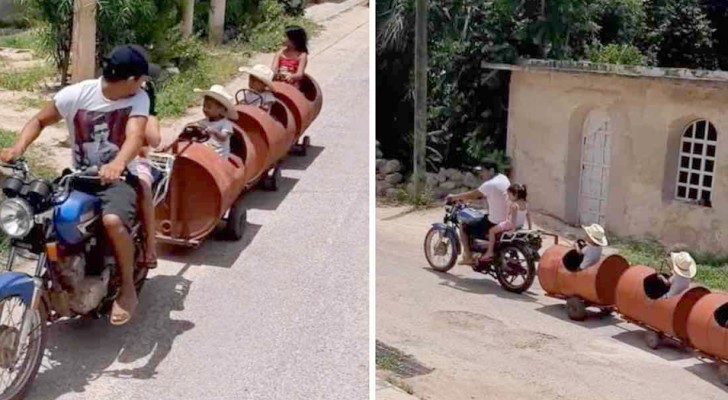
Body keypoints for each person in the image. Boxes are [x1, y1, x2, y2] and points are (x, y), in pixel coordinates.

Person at [0, 44, 158, 325]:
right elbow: (39, 120)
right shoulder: (76, 94)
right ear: (130, 79)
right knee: (45, 221)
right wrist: (18, 148)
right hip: (79, 176)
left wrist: (119, 163)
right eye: (142, 78)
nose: (143, 84)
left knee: (112, 221)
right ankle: (58, 278)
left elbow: (134, 136)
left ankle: (128, 290)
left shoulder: (139, 98)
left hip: (118, 177)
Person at [445, 162, 511, 265]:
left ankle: (468, 256)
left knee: (464, 225)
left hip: (495, 222)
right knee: (481, 217)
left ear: (491, 171)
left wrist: (454, 197)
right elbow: (488, 195)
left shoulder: (489, 185)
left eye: (482, 171)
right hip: (507, 219)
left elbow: (474, 194)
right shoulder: (503, 178)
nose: (480, 174)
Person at [136, 78, 161, 270]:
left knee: (143, 188)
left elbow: (155, 141)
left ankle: (151, 246)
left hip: (138, 163)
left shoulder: (150, 117)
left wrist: (144, 117)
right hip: (111, 161)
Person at [482, 183, 531, 260]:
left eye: (509, 195)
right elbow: (528, 216)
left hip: (509, 225)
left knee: (491, 231)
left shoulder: (514, 205)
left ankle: (490, 251)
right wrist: (530, 227)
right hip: (520, 225)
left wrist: (512, 230)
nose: (508, 196)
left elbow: (513, 219)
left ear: (515, 194)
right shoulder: (525, 204)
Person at [193, 85, 238, 158]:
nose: (205, 109)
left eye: (209, 107)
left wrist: (214, 132)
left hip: (219, 157)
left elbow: (224, 137)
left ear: (221, 110)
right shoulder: (204, 122)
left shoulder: (225, 124)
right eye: (204, 106)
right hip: (205, 153)